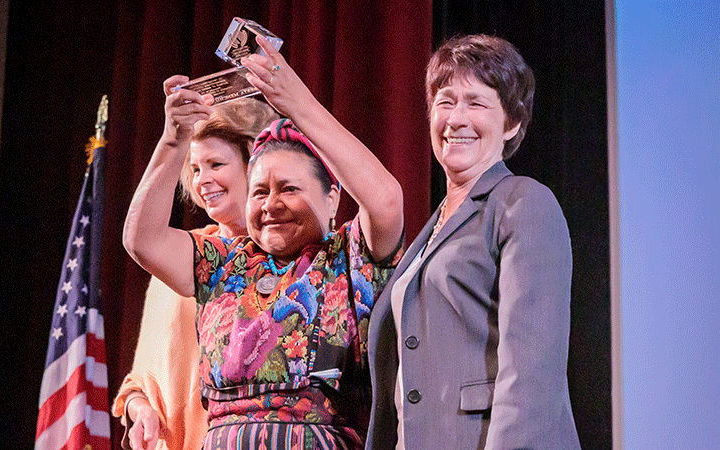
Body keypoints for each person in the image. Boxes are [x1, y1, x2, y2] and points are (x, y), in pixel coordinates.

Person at [122, 35, 403, 450]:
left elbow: (385, 200)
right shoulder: (222, 262)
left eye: (289, 188)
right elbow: (141, 240)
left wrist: (297, 103)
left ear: (333, 196)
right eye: (259, 191)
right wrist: (173, 139)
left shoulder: (348, 258)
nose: (271, 204)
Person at [366, 34, 581, 449]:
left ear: (512, 123)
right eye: (445, 102)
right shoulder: (431, 231)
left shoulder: (522, 201)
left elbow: (531, 374)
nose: (456, 118)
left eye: (476, 102)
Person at [112, 98, 280, 450]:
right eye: (195, 168)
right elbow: (141, 380)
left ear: (257, 164)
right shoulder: (186, 255)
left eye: (215, 164)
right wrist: (138, 406)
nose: (203, 180)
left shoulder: (297, 261)